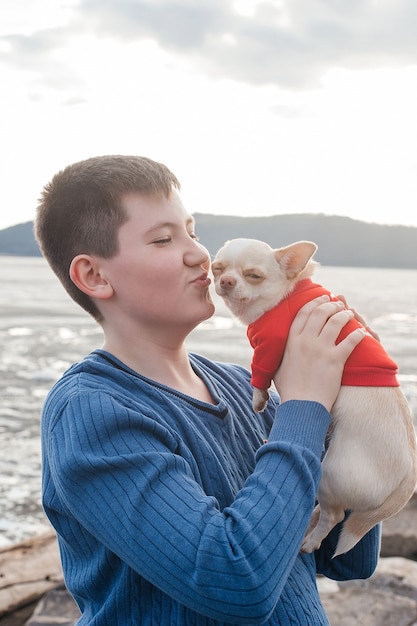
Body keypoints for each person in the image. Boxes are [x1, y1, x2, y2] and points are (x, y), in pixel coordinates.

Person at [35, 155, 380, 626]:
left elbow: (346, 559)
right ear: (94, 276)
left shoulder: (243, 388)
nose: (200, 254)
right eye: (163, 238)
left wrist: (355, 403)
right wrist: (305, 404)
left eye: (192, 231)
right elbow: (236, 582)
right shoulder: (91, 412)